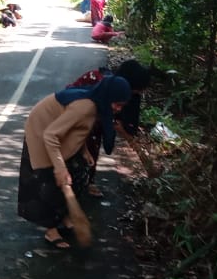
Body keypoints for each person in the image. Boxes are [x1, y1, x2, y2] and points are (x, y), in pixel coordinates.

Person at [18, 76, 132, 249]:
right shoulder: (85, 107)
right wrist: (59, 168)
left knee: (76, 173)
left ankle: (63, 216)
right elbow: (50, 135)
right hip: (41, 130)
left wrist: (84, 151)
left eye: (122, 106)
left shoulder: (96, 104)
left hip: (54, 132)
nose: (118, 109)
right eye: (117, 104)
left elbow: (77, 128)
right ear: (107, 97)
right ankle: (51, 230)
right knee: (49, 182)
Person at [65, 60, 153, 197]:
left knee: (92, 146)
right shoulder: (99, 82)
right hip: (75, 116)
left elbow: (120, 121)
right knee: (80, 146)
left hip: (95, 121)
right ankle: (69, 180)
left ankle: (86, 180)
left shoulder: (126, 92)